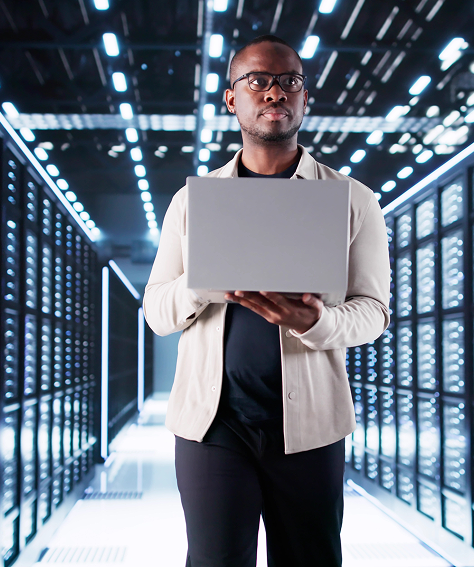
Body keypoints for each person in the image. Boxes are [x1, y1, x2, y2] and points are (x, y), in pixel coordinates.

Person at [142, 34, 391, 567]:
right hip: (213, 426)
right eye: (257, 81)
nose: (274, 93)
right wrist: (203, 286)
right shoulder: (192, 202)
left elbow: (374, 312)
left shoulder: (353, 199)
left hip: (311, 427)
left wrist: (318, 321)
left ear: (305, 99)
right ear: (232, 99)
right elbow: (157, 311)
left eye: (289, 82)